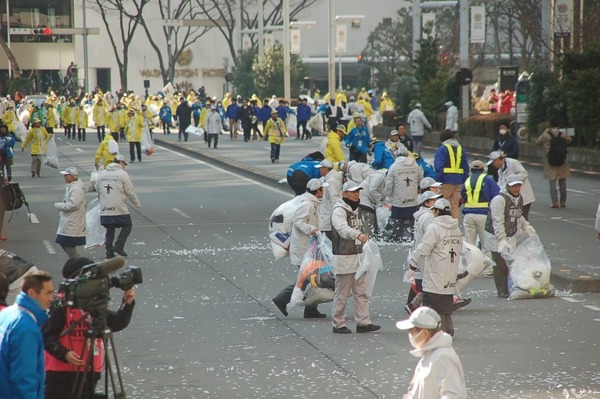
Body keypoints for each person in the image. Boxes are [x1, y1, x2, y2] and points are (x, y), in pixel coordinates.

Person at [43, 257, 135, 399]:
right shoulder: (60, 304)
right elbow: (47, 336)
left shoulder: (94, 304)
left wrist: (127, 304)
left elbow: (117, 322)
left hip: (89, 371)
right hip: (61, 373)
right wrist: (65, 354)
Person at [273, 179, 328, 319]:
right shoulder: (307, 205)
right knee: (309, 279)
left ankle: (311, 309)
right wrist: (313, 230)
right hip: (304, 249)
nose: (325, 191)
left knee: (315, 279)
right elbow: (298, 222)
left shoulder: (314, 203)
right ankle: (281, 298)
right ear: (317, 190)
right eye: (323, 189)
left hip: (311, 247)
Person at [331, 181, 380, 334]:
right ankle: (338, 324)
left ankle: (363, 322)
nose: (356, 194)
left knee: (361, 291)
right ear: (344, 193)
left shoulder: (357, 208)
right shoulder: (339, 210)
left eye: (357, 192)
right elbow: (341, 229)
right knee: (342, 293)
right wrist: (357, 234)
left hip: (359, 256)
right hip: (344, 257)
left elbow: (361, 227)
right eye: (352, 192)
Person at [408, 198, 462, 336]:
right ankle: (448, 329)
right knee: (446, 304)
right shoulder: (456, 228)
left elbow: (424, 248)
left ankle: (435, 332)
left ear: (437, 211)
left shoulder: (434, 228)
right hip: (450, 272)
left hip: (436, 272)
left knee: (433, 304)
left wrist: (413, 263)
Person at [0, 271, 54, 399]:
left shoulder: (8, 313)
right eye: (47, 293)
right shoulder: (26, 327)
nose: (51, 298)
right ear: (32, 293)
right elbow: (24, 376)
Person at [396, 307, 467, 399]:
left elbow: (453, 395)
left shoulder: (442, 357)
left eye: (412, 331)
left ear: (425, 333)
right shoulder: (431, 353)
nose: (410, 335)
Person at [485, 174, 536, 298]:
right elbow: (497, 221)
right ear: (508, 186)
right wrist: (501, 239)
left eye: (518, 185)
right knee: (500, 263)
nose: (516, 188)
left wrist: (526, 226)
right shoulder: (499, 200)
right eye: (514, 186)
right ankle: (501, 290)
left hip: (511, 234)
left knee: (511, 263)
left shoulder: (519, 198)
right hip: (496, 236)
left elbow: (518, 215)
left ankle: (510, 288)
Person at [95, 154, 141, 259]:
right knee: (127, 225)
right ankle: (119, 245)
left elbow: (97, 188)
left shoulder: (102, 173)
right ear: (121, 163)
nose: (124, 166)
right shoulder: (122, 174)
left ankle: (109, 251)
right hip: (119, 207)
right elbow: (129, 191)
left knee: (109, 229)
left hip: (105, 208)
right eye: (124, 164)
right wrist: (136, 202)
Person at [404, 190, 442, 314]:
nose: (437, 202)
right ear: (427, 202)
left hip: (420, 253)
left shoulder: (422, 215)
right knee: (427, 285)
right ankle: (417, 308)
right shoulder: (428, 217)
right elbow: (431, 237)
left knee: (423, 283)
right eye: (434, 200)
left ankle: (413, 305)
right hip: (425, 255)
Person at [461, 160, 500, 256]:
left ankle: (470, 267)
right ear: (483, 169)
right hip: (484, 215)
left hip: (468, 215)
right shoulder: (488, 179)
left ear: (471, 170)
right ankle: (488, 270)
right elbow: (497, 195)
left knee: (469, 245)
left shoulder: (467, 180)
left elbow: (463, 195)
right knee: (486, 245)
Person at [384, 146, 423, 241]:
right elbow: (420, 180)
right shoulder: (415, 165)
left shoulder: (394, 166)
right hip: (413, 200)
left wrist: (388, 197)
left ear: (397, 155)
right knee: (413, 221)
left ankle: (397, 237)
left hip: (399, 201)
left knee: (398, 221)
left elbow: (389, 184)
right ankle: (413, 238)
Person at [535, 116, 572, 208]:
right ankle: (563, 202)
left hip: (550, 160)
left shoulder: (547, 135)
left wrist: (544, 132)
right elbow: (570, 140)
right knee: (562, 180)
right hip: (562, 160)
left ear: (550, 124)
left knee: (552, 181)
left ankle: (555, 203)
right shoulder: (562, 134)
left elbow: (537, 142)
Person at [486, 151, 535, 220]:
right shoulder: (500, 171)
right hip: (513, 197)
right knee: (515, 219)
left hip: (524, 195)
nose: (493, 165)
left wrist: (512, 180)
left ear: (497, 160)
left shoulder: (512, 163)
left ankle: (526, 231)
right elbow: (501, 184)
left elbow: (524, 174)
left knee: (522, 218)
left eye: (493, 163)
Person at [434, 129, 470, 220]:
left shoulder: (442, 149)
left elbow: (439, 166)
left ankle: (443, 224)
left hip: (446, 180)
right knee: (455, 204)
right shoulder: (460, 148)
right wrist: (464, 180)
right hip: (458, 181)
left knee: (442, 203)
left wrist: (437, 182)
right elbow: (466, 166)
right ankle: (455, 226)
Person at [54, 167, 86, 259]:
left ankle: (76, 262)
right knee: (63, 241)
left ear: (72, 176)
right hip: (69, 219)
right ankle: (76, 260)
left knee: (67, 243)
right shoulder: (71, 187)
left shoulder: (76, 189)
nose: (64, 177)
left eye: (66, 175)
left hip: (73, 221)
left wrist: (59, 206)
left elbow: (73, 205)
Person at [358, 170, 386, 236]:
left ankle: (369, 237)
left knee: (369, 220)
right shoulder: (379, 176)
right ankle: (367, 239)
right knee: (369, 217)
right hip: (363, 199)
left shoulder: (384, 180)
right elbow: (372, 189)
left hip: (366, 200)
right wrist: (381, 198)